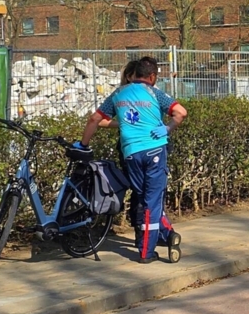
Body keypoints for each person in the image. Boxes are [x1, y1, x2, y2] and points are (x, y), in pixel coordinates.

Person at [79, 57, 186, 263]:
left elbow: (95, 120)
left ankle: (167, 233)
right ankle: (146, 251)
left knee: (144, 197)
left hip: (130, 153)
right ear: (152, 76)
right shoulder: (154, 93)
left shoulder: (118, 94)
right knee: (152, 202)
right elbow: (181, 113)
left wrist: (82, 145)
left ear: (131, 74)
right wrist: (168, 127)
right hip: (154, 150)